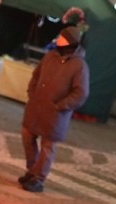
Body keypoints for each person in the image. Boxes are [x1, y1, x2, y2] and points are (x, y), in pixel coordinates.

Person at [18, 25, 89, 193]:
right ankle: (32, 170)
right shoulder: (50, 56)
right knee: (27, 135)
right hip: (37, 107)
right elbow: (36, 75)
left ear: (70, 42)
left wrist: (60, 105)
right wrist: (32, 93)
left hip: (56, 113)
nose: (58, 40)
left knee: (47, 146)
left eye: (62, 38)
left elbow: (81, 92)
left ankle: (38, 178)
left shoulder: (79, 65)